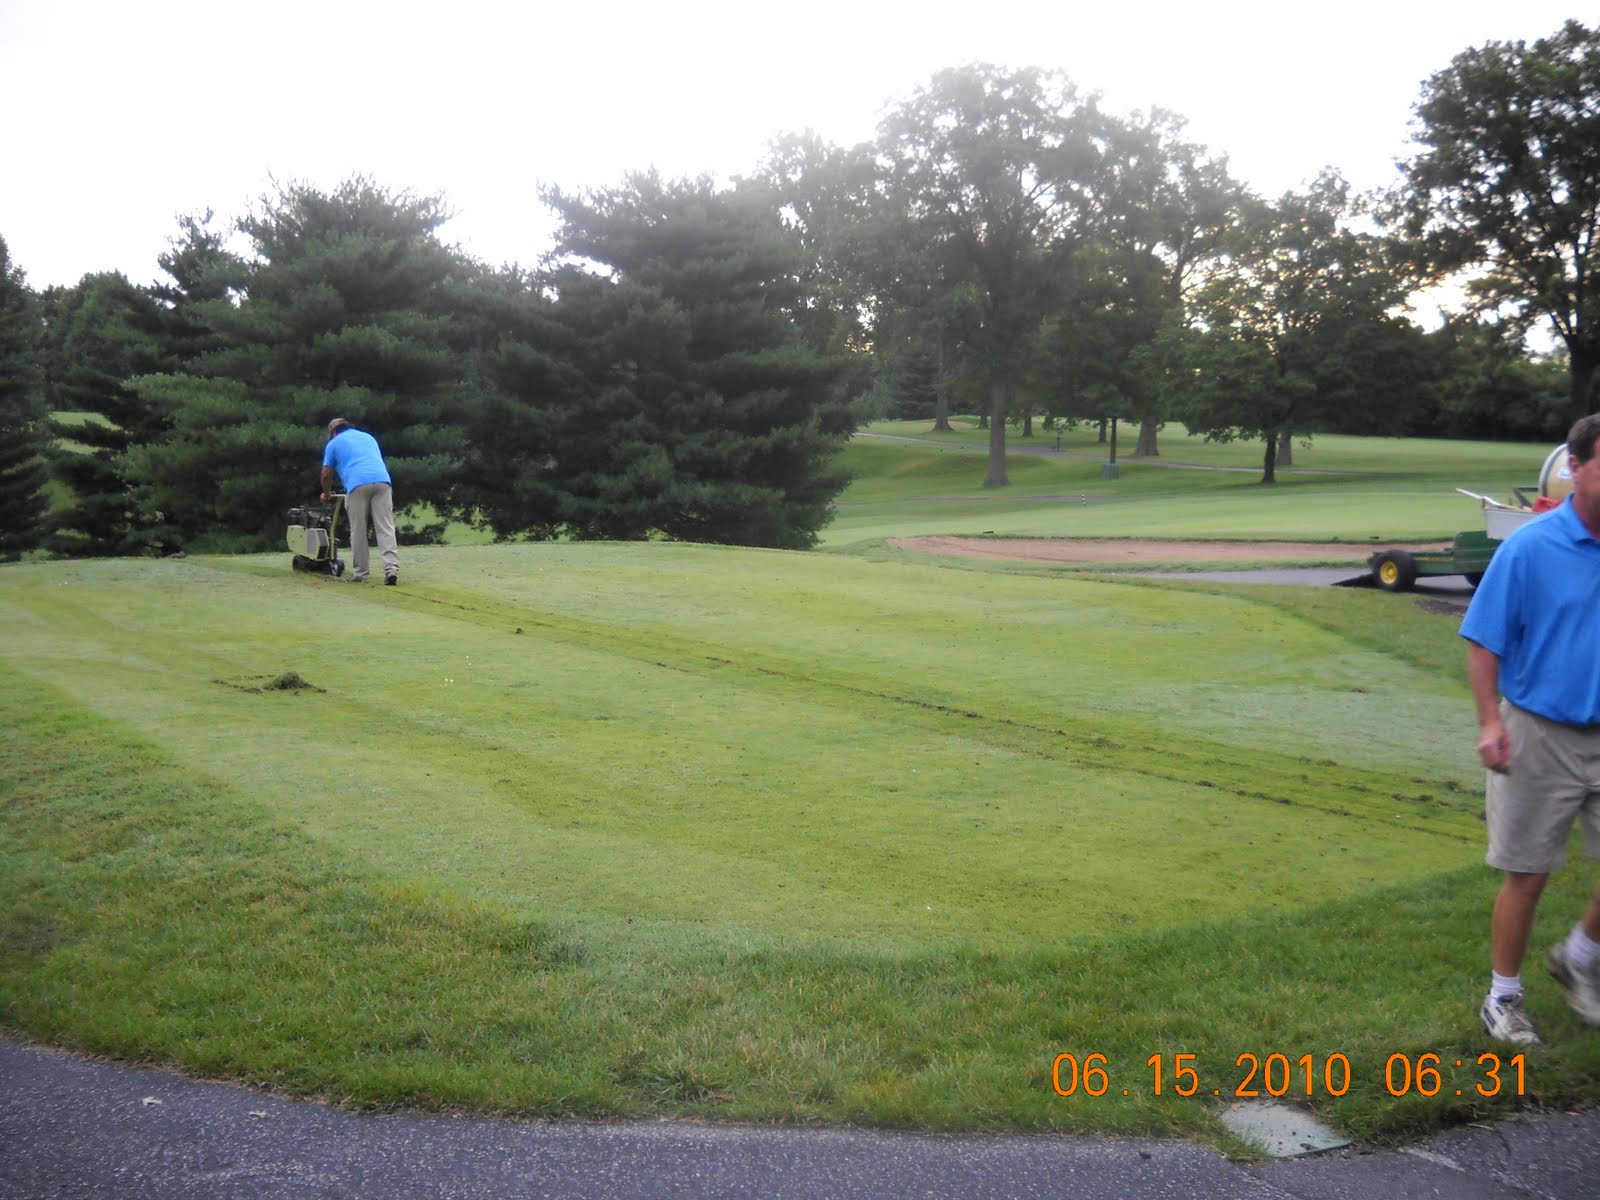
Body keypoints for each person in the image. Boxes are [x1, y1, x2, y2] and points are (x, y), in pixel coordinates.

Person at [1460, 413, 1600, 1046]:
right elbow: (1484, 641)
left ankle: (1578, 956)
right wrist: (1490, 721)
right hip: (1539, 730)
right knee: (1528, 873)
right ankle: (1503, 996)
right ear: (1576, 466)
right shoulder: (1530, 546)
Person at [320, 417, 399, 585]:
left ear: (333, 432)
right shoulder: (367, 437)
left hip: (357, 484)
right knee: (385, 527)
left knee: (358, 530)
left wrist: (326, 494)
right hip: (383, 482)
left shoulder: (333, 443)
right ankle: (391, 569)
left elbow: (326, 474)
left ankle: (361, 574)